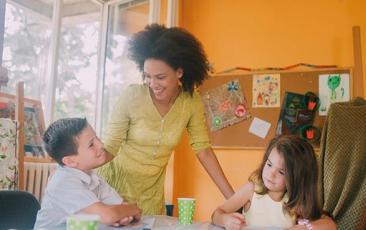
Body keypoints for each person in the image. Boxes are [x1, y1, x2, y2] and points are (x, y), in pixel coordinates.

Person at [97, 23, 234, 215]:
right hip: (112, 189)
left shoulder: (191, 102)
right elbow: (109, 148)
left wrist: (234, 199)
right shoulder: (132, 96)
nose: (153, 84)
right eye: (147, 76)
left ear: (180, 72)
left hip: (150, 198)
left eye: (160, 77)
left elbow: (204, 151)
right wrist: (74, 174)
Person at [211, 135, 337, 230]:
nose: (271, 174)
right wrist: (225, 220)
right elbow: (217, 214)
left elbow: (330, 225)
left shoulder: (295, 203)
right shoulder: (251, 190)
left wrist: (307, 227)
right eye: (269, 164)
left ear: (298, 178)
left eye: (281, 172)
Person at [34, 118, 141, 229]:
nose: (101, 144)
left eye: (97, 138)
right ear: (70, 161)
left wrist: (124, 214)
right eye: (91, 144)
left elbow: (123, 209)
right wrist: (129, 210)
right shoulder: (63, 181)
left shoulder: (93, 177)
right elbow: (110, 215)